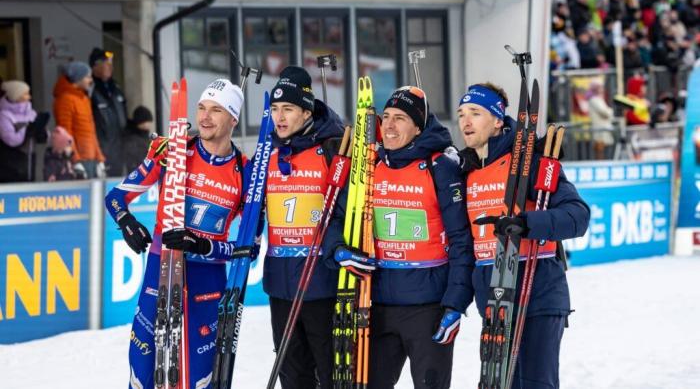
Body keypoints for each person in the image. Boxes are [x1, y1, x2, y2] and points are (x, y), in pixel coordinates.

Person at [104, 78, 254, 389]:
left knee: (200, 377)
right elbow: (116, 197)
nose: (205, 117)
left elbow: (248, 249)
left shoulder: (246, 171)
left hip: (207, 279)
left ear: (233, 119)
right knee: (142, 370)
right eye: (201, 108)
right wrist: (127, 222)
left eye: (216, 110)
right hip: (161, 267)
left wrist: (204, 246)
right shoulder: (172, 150)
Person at [323, 86, 472, 389]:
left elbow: (461, 240)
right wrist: (337, 249)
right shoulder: (369, 165)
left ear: (418, 126)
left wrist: (455, 304)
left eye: (400, 118)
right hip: (375, 305)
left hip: (428, 308)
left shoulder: (439, 166)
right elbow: (338, 217)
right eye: (386, 117)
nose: (389, 126)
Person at [456, 83, 590, 389]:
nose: (466, 121)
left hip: (537, 292)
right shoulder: (466, 170)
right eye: (462, 113)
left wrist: (525, 224)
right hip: (495, 299)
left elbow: (577, 216)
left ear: (498, 120)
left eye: (476, 113)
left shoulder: (530, 162)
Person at [264, 66, 345, 388]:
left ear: (306, 111)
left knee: (328, 372)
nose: (279, 117)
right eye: (274, 109)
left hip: (321, 283)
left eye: (288, 109)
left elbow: (345, 214)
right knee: (293, 374)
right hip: (280, 284)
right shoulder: (269, 154)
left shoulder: (331, 149)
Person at [53, 61, 106, 178]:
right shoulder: (65, 99)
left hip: (91, 158)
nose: (90, 80)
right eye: (87, 77)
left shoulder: (83, 98)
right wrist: (75, 160)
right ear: (78, 78)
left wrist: (99, 158)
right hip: (79, 161)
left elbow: (91, 132)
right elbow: (66, 134)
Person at [90, 48, 128, 176]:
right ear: (95, 66)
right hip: (101, 149)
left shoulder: (115, 89)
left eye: (110, 64)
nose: (110, 67)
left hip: (119, 148)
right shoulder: (90, 91)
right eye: (106, 64)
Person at [0, 80, 43, 182]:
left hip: (30, 160)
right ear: (16, 96)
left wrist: (41, 131)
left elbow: (42, 139)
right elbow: (12, 140)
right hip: (10, 163)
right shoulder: (4, 115)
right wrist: (27, 129)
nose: (29, 97)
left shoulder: (31, 112)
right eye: (26, 94)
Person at [586, 82, 615, 159]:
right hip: (600, 129)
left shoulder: (597, 99)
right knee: (600, 150)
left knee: (603, 150)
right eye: (600, 87)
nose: (602, 89)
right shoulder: (594, 100)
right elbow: (605, 112)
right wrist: (611, 111)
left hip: (603, 128)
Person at [122, 105, 154, 174]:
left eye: (149, 121)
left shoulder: (147, 138)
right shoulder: (132, 140)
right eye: (145, 121)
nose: (148, 124)